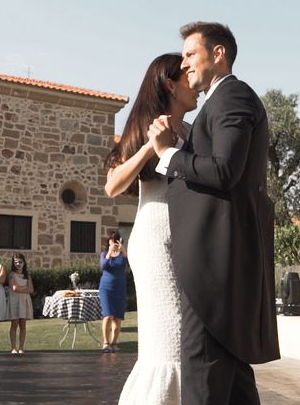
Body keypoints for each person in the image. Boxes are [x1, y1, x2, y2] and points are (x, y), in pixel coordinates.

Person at [148, 22, 280, 404]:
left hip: (213, 269)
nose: (185, 63)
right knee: (232, 380)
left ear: (218, 53)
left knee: (202, 375)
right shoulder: (220, 102)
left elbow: (224, 170)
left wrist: (167, 155)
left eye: (191, 54)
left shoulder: (231, 96)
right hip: (221, 265)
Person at [104, 53, 198, 403]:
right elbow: (112, 186)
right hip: (156, 240)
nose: (196, 84)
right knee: (167, 341)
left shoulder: (191, 131)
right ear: (171, 84)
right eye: (188, 75)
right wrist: (150, 147)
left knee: (185, 340)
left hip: (188, 237)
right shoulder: (148, 129)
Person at [98, 231, 127, 353]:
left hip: (120, 288)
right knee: (108, 315)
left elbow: (131, 263)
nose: (114, 242)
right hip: (106, 288)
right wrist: (110, 252)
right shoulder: (104, 254)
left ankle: (114, 343)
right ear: (108, 241)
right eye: (112, 240)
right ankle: (106, 342)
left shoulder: (123, 254)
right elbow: (103, 267)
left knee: (117, 318)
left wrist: (124, 250)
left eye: (116, 240)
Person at [6, 253, 34, 354]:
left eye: (20, 262)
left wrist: (20, 289)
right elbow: (14, 288)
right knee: (14, 324)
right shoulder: (11, 275)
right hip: (14, 301)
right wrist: (23, 288)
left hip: (24, 301)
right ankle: (13, 347)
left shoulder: (27, 275)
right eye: (16, 262)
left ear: (24, 263)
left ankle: (21, 347)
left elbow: (31, 289)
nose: (18, 264)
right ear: (13, 263)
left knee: (23, 325)